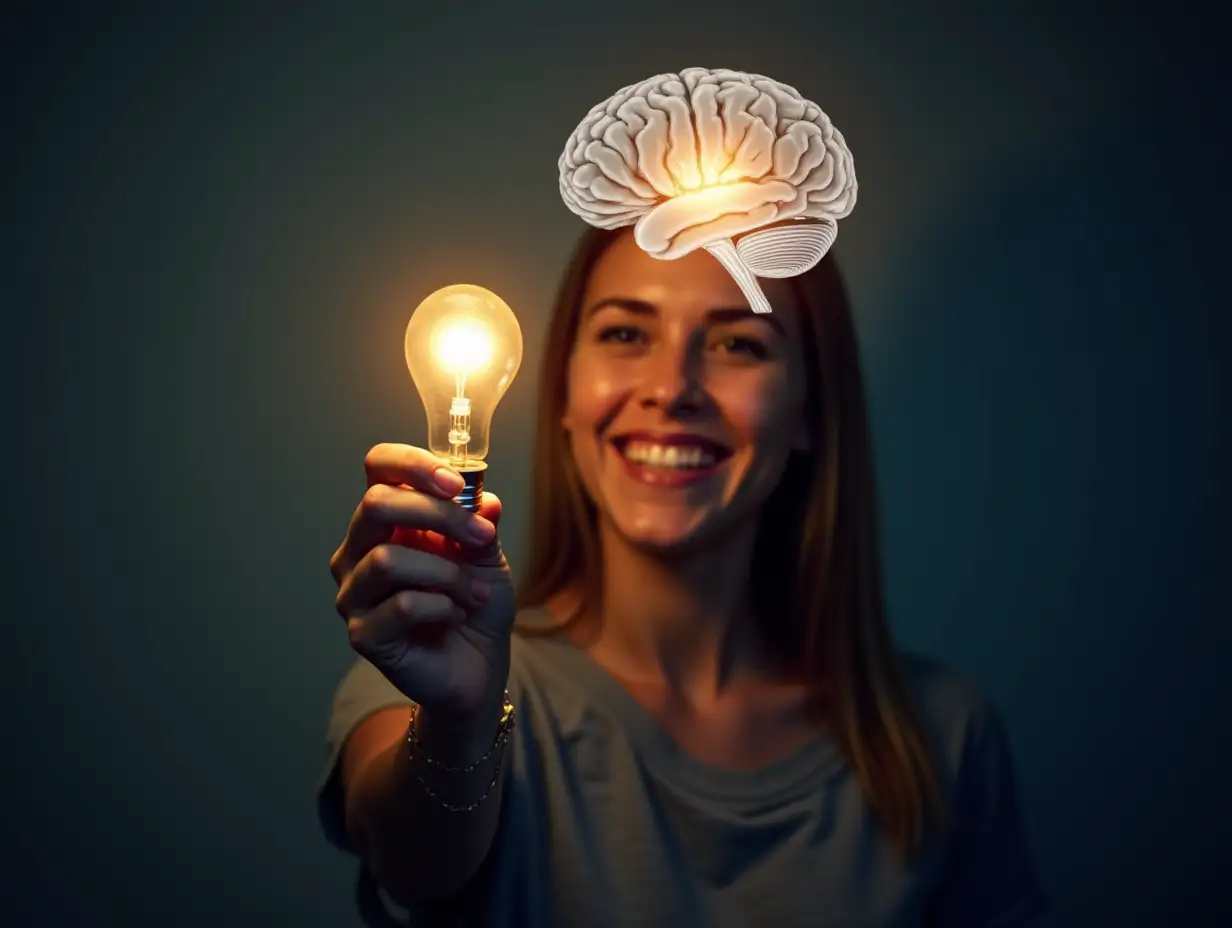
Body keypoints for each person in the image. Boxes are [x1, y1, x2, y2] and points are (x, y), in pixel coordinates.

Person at [318, 224, 1049, 927]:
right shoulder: (435, 677)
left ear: (809, 411)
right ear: (564, 393)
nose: (672, 390)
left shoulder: (941, 737)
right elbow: (409, 858)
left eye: (739, 342)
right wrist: (459, 721)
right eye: (625, 333)